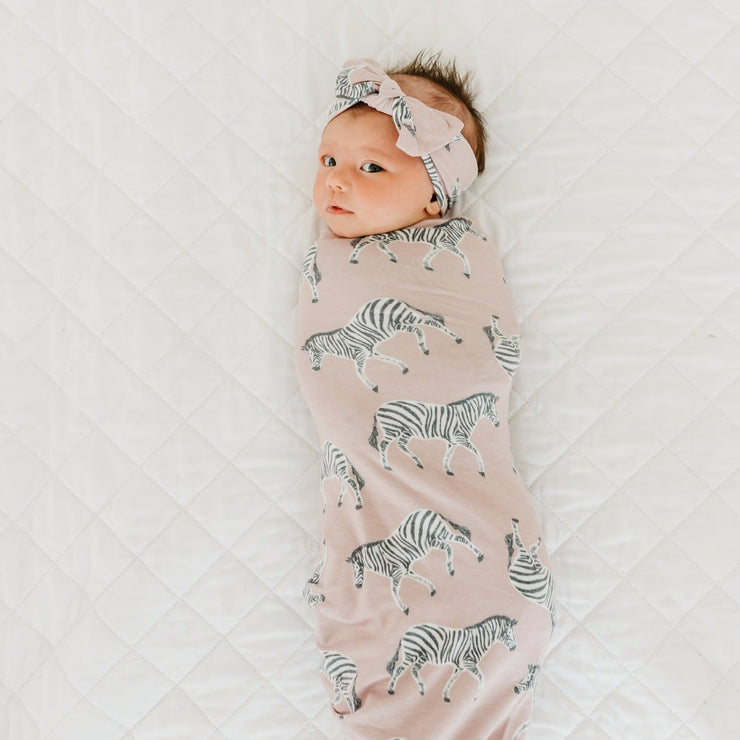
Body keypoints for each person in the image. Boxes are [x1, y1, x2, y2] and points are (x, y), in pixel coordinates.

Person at [295, 53, 554, 740]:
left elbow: (482, 354)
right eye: (328, 160)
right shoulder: (332, 257)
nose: (336, 180)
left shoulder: (463, 256)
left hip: (482, 533)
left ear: (435, 197)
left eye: (371, 168)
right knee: (371, 626)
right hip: (372, 505)